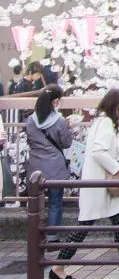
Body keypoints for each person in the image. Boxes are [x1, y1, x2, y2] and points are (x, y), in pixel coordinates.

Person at [49, 89, 119, 279]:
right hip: (99, 184)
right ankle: (58, 266)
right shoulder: (106, 124)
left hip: (102, 183)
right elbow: (98, 152)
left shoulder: (101, 122)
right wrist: (118, 168)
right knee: (84, 227)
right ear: (113, 105)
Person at [25, 85, 69, 244]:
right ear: (56, 101)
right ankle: (53, 237)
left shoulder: (31, 120)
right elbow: (66, 143)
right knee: (55, 202)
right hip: (55, 167)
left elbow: (29, 140)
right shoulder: (60, 121)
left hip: (36, 166)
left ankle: (35, 236)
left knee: (36, 204)